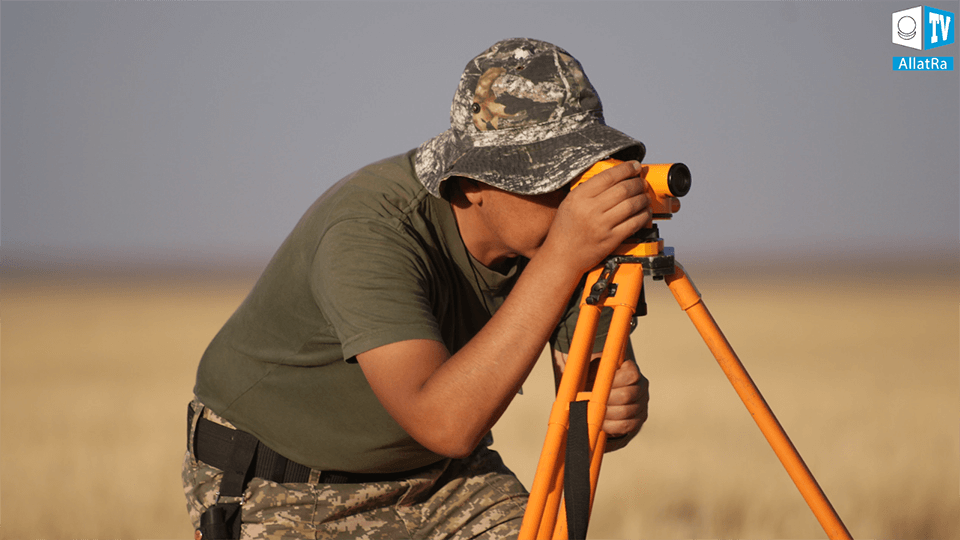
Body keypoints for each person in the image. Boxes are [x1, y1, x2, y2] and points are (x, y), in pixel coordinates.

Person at [183, 37, 651, 540]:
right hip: (286, 482)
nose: (573, 196)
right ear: (475, 177)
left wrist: (613, 409)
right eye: (552, 177)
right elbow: (444, 423)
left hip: (443, 480)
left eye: (583, 170)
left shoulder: (556, 247)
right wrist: (563, 259)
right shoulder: (369, 228)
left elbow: (587, 412)